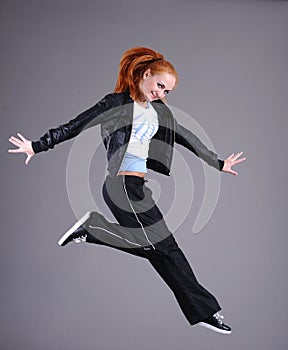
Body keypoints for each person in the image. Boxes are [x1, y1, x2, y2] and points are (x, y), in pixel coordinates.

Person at [8, 47, 246, 335]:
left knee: (167, 251)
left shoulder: (158, 111)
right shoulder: (116, 103)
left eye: (168, 91)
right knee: (159, 246)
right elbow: (76, 125)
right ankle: (94, 229)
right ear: (145, 75)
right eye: (160, 85)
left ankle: (205, 311)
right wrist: (37, 145)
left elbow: (185, 136)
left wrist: (217, 162)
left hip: (138, 188)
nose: (162, 94)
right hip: (120, 185)